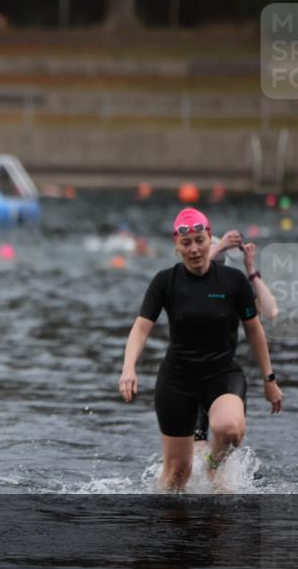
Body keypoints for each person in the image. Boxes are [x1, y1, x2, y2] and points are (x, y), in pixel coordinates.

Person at [119, 208, 283, 491]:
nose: (194, 249)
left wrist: (269, 380)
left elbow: (254, 329)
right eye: (186, 243)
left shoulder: (233, 281)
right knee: (176, 474)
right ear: (176, 246)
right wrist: (128, 369)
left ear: (210, 238)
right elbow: (142, 327)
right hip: (177, 380)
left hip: (222, 374)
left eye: (199, 240)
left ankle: (213, 466)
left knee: (230, 429)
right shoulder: (164, 282)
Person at [193, 229, 280, 442]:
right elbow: (191, 277)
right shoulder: (184, 287)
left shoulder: (230, 287)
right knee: (196, 443)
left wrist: (251, 269)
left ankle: (217, 472)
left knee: (229, 440)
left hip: (223, 375)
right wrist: (221, 246)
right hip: (188, 374)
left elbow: (271, 311)